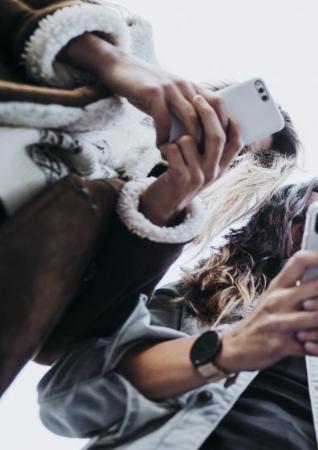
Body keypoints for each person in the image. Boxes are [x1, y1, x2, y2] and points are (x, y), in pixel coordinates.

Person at [0, 0, 298, 394]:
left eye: (240, 154)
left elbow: (62, 344)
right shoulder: (127, 46)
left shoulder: (154, 224)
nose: (223, 144)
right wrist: (108, 60)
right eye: (227, 122)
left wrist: (163, 206)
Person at [37, 179, 318, 450]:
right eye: (303, 217)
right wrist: (228, 348)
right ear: (271, 226)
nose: (311, 234)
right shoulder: (196, 298)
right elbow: (65, 401)